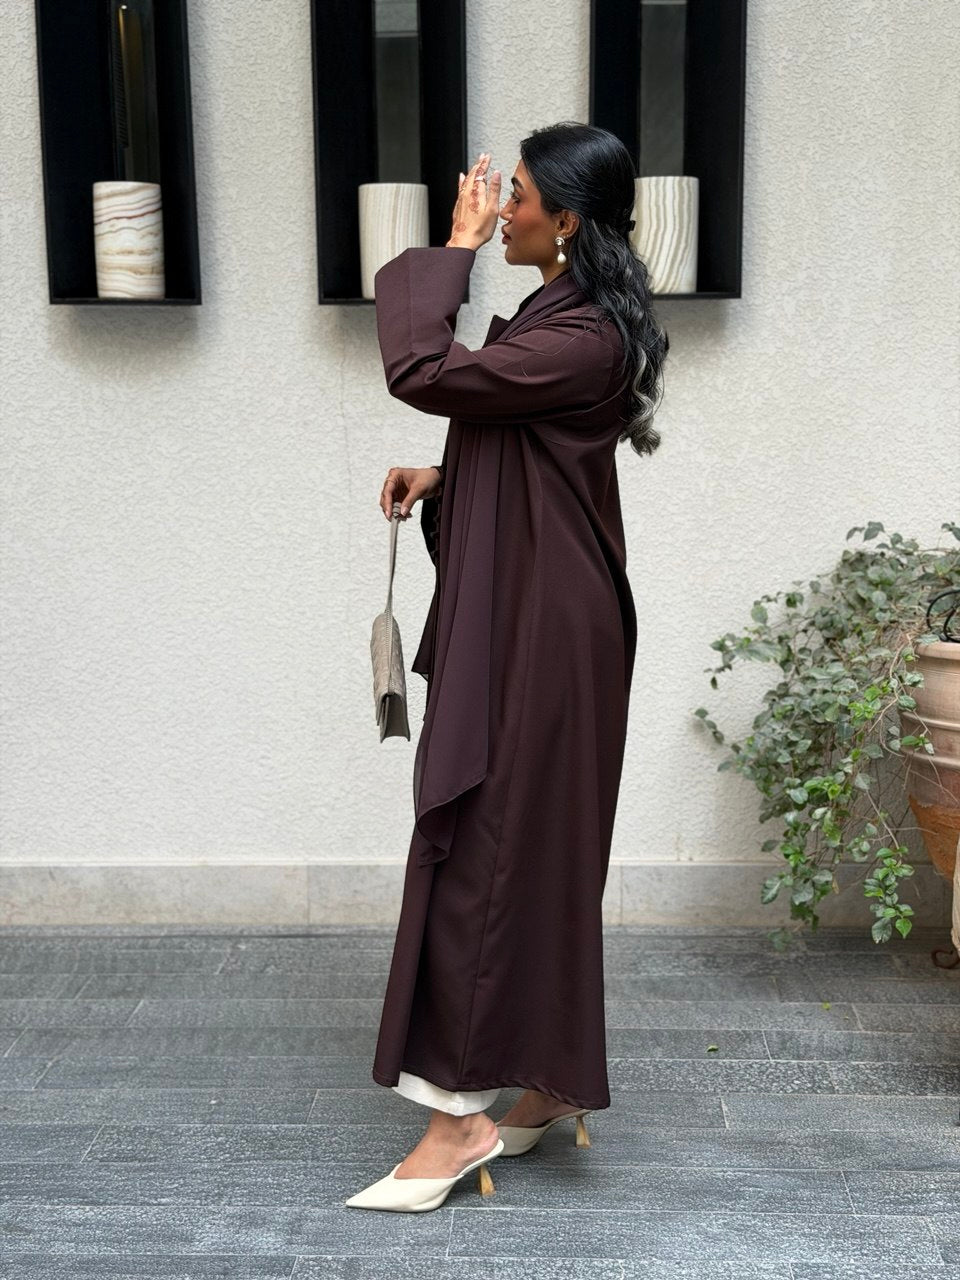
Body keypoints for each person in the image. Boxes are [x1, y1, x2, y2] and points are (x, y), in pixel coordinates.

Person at [345, 121, 669, 1213]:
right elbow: (525, 434)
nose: (499, 208)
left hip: (543, 631)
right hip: (546, 615)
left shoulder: (579, 333)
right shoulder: (566, 317)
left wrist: (452, 245)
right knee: (532, 853)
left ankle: (458, 1119)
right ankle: (548, 1080)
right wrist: (450, 477)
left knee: (484, 851)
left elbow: (424, 368)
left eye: (516, 194)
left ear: (566, 220)